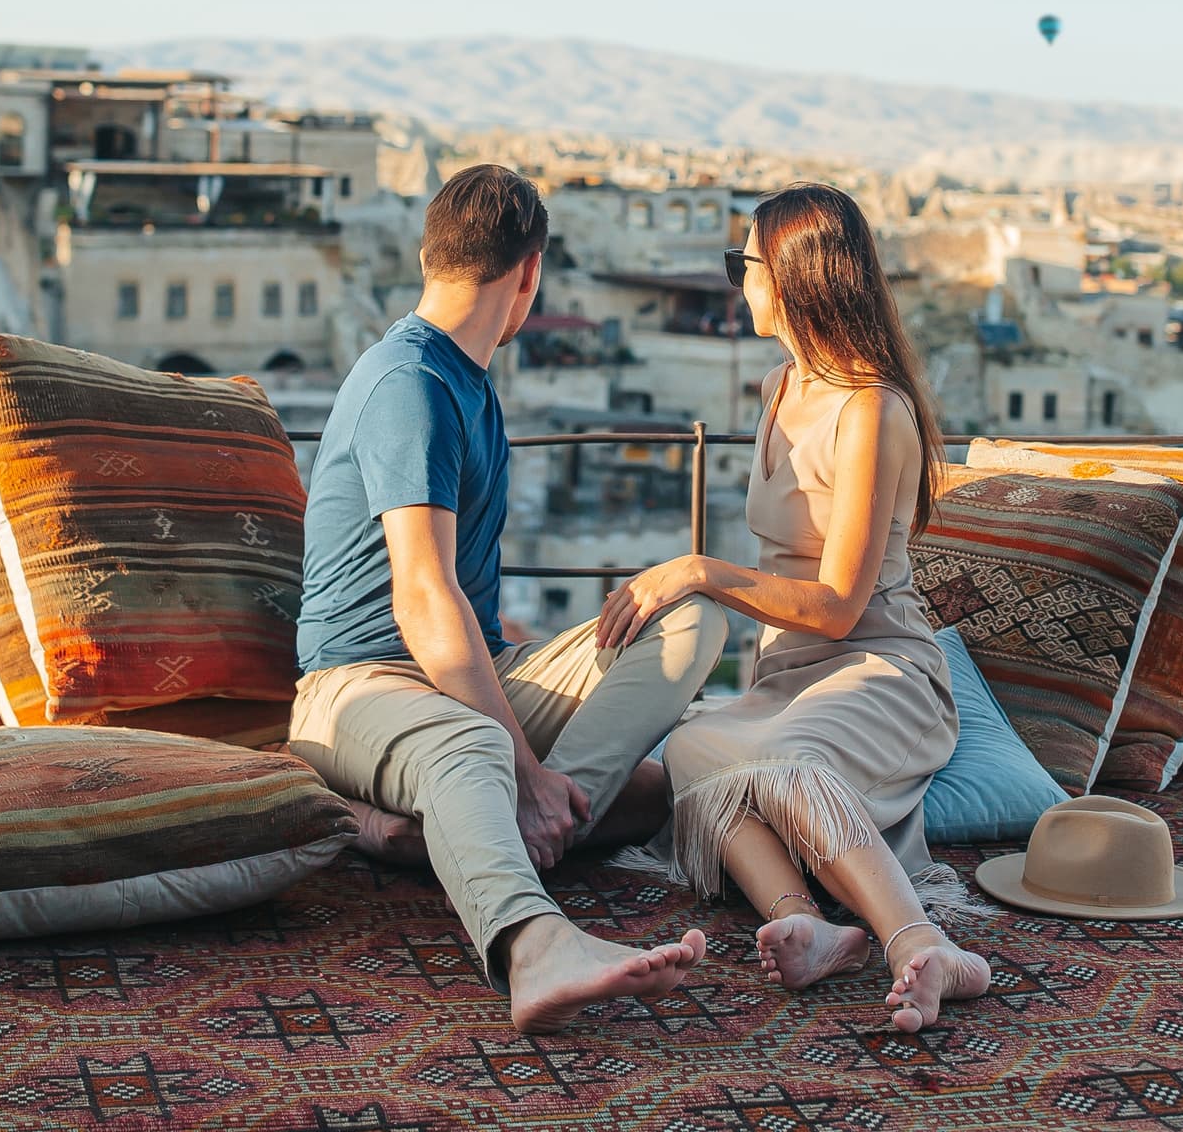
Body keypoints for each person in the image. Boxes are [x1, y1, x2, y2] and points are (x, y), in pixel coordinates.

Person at [290, 164, 729, 1033]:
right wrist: (522, 767)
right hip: (359, 686)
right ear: (530, 274)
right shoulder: (409, 384)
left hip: (467, 673)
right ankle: (534, 944)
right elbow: (422, 599)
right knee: (475, 752)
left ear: (432, 256)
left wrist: (541, 783)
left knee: (690, 629)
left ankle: (515, 826)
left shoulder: (467, 380)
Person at [598, 183, 992, 1033]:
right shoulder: (780, 386)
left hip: (879, 669)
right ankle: (802, 919)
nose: (737, 278)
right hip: (786, 676)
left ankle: (919, 943)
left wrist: (702, 572)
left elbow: (843, 606)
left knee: (787, 756)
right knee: (698, 744)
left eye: (743, 262)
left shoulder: (871, 410)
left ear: (790, 278)